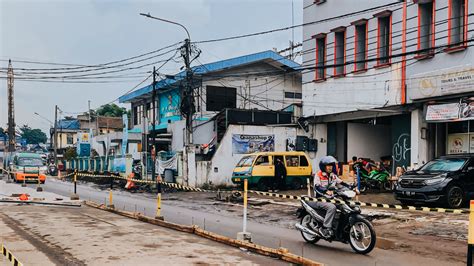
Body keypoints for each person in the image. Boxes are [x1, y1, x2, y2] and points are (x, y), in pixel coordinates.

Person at [311, 156, 345, 238]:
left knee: (344, 206)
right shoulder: (318, 175)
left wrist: (352, 187)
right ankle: (325, 228)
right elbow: (317, 186)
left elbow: (341, 183)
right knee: (332, 207)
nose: (330, 167)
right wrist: (326, 191)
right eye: (328, 165)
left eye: (331, 165)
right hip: (320, 199)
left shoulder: (333, 176)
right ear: (323, 166)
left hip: (331, 199)